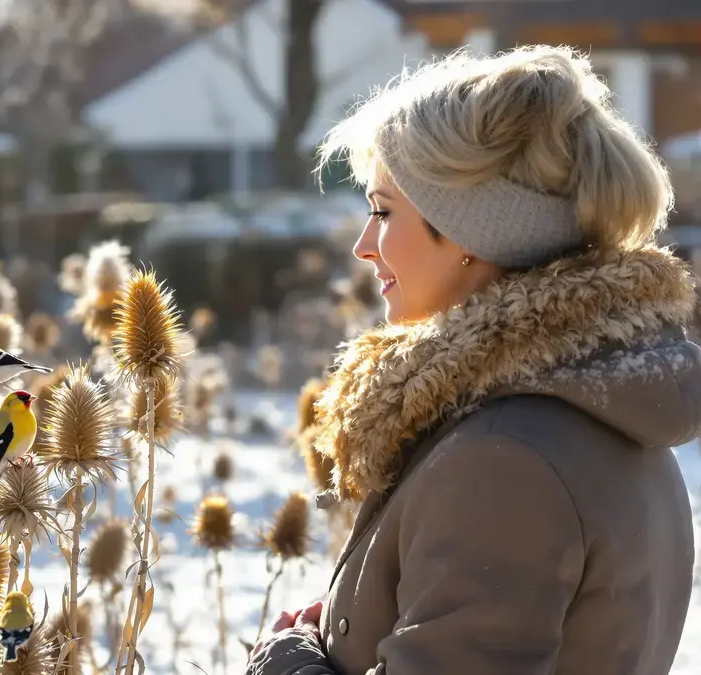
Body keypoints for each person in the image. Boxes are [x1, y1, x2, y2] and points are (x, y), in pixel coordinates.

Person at [247, 45, 699, 675]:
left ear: (470, 233)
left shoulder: (504, 460)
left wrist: (283, 662)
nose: (363, 246)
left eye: (382, 211)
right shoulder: (594, 405)